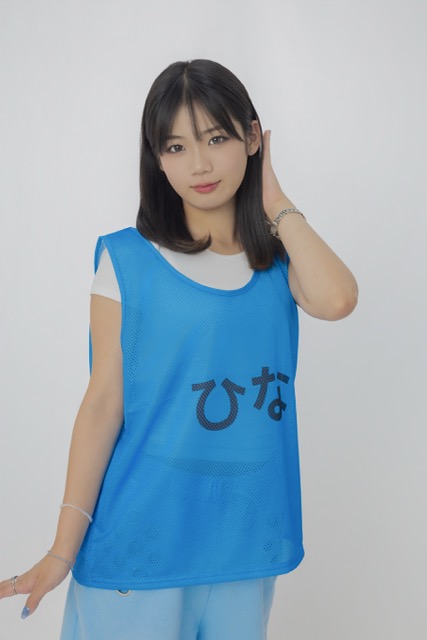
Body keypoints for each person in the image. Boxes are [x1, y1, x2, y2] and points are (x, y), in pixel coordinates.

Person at [0, 59, 358, 639]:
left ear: (252, 137)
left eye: (216, 139)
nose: (199, 165)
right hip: (139, 548)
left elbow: (338, 299)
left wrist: (275, 201)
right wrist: (62, 549)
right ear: (157, 158)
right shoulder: (128, 261)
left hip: (244, 547)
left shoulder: (280, 262)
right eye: (175, 147)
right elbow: (103, 406)